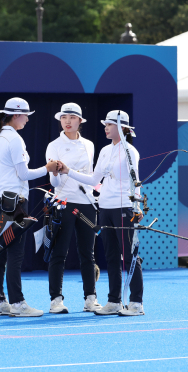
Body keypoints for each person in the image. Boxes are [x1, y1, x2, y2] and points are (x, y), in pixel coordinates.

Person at [0, 97, 58, 317]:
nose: (28, 120)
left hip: (3, 202)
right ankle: (17, 303)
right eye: (26, 115)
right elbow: (23, 174)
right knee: (15, 254)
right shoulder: (14, 139)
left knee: (0, 251)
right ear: (17, 115)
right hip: (16, 204)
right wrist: (47, 169)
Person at [57, 110, 144, 316]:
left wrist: (137, 206)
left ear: (122, 128)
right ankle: (114, 301)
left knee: (130, 256)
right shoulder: (105, 150)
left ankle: (136, 302)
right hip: (104, 207)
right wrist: (68, 171)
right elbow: (94, 179)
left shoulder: (130, 151)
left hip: (124, 207)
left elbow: (135, 180)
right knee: (112, 256)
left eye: (110, 124)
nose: (106, 127)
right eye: (105, 124)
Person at [44, 103, 102, 314]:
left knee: (88, 253)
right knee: (59, 253)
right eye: (64, 117)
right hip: (64, 204)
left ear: (79, 121)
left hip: (87, 204)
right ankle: (56, 300)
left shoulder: (89, 145)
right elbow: (55, 183)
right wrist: (56, 173)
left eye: (72, 117)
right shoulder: (53, 145)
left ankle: (90, 298)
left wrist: (100, 191)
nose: (67, 121)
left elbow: (91, 175)